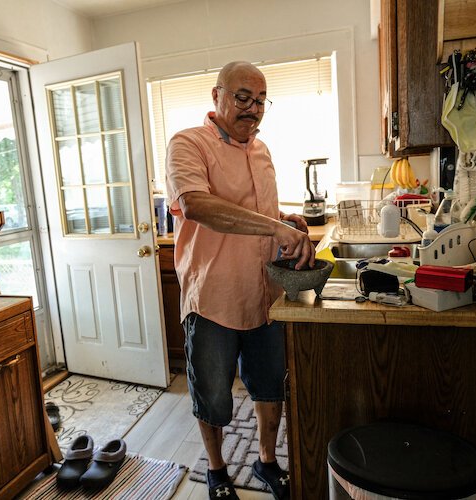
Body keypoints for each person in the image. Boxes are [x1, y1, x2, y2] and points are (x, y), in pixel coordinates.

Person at [165, 61, 316, 500]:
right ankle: (216, 470)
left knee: (271, 388)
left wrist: (285, 220)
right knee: (212, 396)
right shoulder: (187, 144)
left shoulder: (262, 150)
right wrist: (274, 229)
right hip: (213, 298)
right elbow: (197, 206)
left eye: (260, 100)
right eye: (242, 97)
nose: (252, 108)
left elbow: (262, 215)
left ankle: (266, 461)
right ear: (217, 96)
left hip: (265, 295)